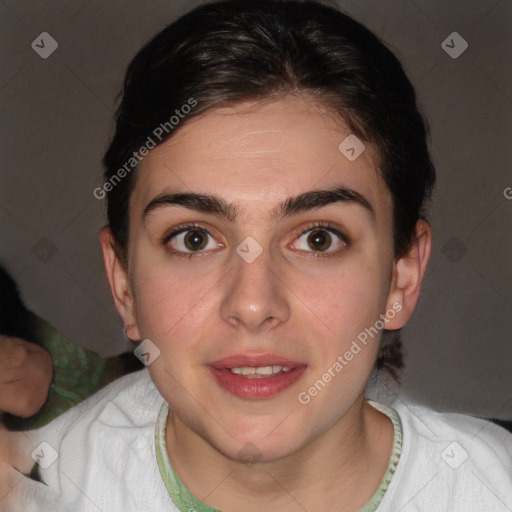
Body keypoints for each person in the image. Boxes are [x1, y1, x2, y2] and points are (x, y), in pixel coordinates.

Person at [11, 0, 512, 511]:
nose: (253, 304)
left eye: (319, 238)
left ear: (401, 279)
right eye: (194, 239)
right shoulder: (39, 489)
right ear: (124, 286)